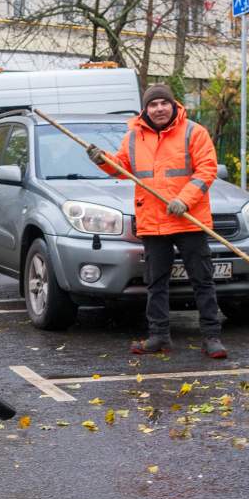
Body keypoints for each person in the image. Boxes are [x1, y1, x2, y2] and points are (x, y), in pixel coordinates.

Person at [87, 83, 228, 359]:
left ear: (174, 105)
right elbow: (121, 170)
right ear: (146, 109)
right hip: (153, 221)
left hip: (188, 220)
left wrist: (184, 200)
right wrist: (102, 161)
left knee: (202, 280)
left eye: (164, 103)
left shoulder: (193, 132)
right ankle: (159, 336)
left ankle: (212, 337)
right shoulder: (133, 137)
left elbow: (206, 170)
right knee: (156, 283)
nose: (159, 108)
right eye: (153, 104)